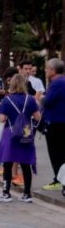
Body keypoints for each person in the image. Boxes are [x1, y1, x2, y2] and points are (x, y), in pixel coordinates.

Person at [0, 74, 41, 203]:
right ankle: (27, 194)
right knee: (25, 164)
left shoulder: (7, 100)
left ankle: (6, 193)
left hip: (10, 134)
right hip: (26, 133)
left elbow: (1, 119)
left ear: (11, 85)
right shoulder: (30, 99)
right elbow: (38, 117)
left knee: (7, 163)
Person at [41, 58, 65, 192]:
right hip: (61, 122)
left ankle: (59, 179)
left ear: (53, 70)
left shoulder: (56, 83)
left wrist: (40, 98)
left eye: (47, 68)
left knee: (56, 153)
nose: (45, 70)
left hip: (55, 123)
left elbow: (48, 101)